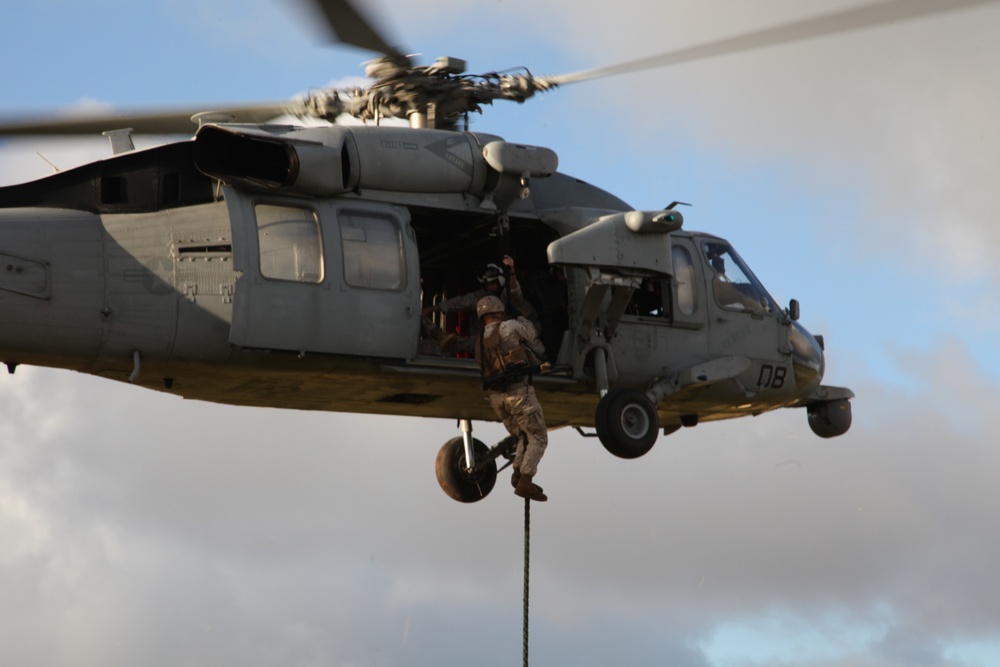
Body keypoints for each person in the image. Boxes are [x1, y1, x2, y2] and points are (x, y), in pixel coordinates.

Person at [475, 295, 549, 502]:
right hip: (518, 394)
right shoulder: (509, 327)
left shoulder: (480, 340)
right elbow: (531, 334)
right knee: (538, 436)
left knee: (522, 436)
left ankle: (517, 475)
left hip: (498, 399)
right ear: (499, 312)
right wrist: (523, 319)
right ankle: (525, 480)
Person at [422, 255, 539, 354]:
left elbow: (514, 290)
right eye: (488, 285)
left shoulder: (508, 294)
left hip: (525, 337)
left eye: (493, 283)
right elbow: (463, 301)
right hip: (498, 339)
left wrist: (512, 272)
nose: (490, 287)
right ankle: (434, 339)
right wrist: (434, 308)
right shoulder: (485, 297)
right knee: (465, 343)